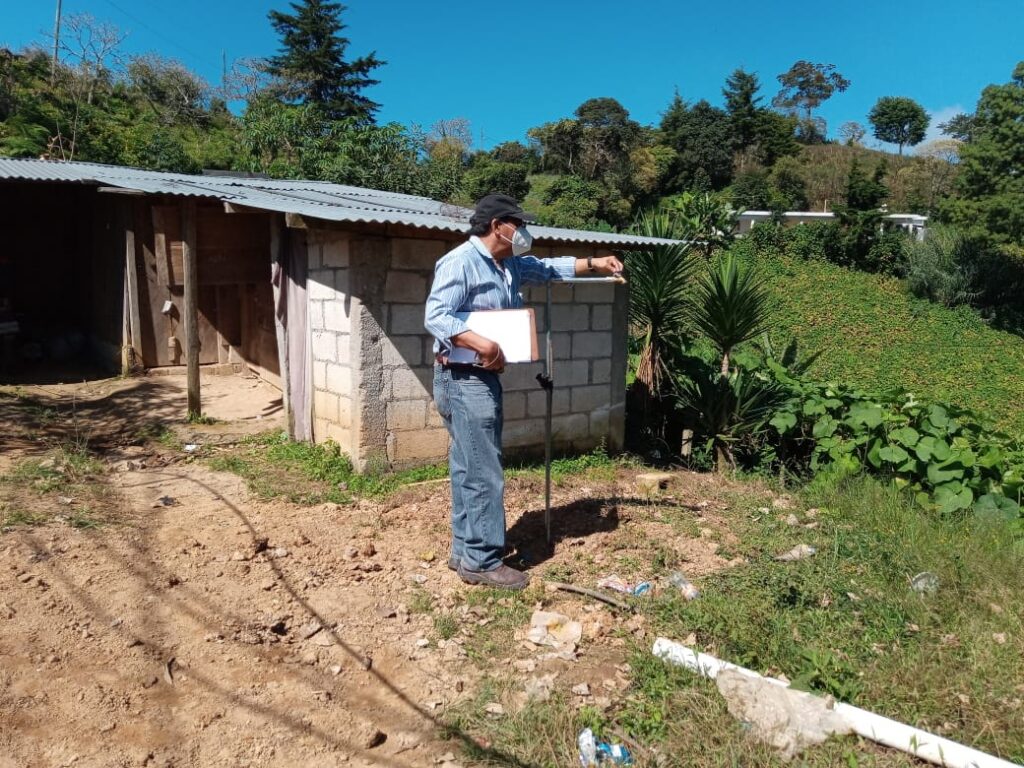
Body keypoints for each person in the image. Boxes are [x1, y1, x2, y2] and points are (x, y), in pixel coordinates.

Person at [424, 194, 623, 590]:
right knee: (483, 469)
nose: (525, 232)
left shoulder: (507, 264)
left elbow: (547, 268)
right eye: (520, 224)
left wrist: (594, 263)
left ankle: (465, 551)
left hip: (477, 378)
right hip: (464, 379)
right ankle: (482, 561)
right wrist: (485, 345)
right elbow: (436, 315)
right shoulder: (461, 261)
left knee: (467, 465)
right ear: (499, 226)